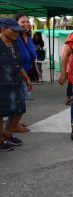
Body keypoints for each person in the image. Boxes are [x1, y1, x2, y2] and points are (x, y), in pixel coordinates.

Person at [0, 18, 32, 151]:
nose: (16, 33)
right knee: (0, 113)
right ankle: (1, 141)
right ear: (2, 29)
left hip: (17, 82)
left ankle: (7, 134)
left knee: (19, 109)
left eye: (18, 31)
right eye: (13, 30)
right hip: (2, 84)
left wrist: (27, 78)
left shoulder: (15, 43)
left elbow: (18, 64)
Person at [14, 13, 40, 133]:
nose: (26, 24)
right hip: (17, 74)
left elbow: (32, 55)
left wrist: (36, 68)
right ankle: (14, 125)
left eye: (27, 22)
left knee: (23, 98)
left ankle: (15, 122)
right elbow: (16, 60)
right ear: (16, 23)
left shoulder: (28, 37)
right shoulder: (14, 38)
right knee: (21, 98)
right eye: (22, 22)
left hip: (27, 72)